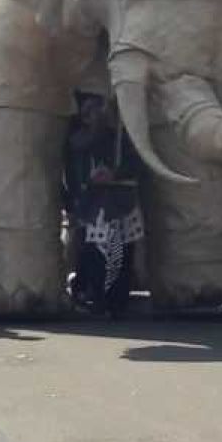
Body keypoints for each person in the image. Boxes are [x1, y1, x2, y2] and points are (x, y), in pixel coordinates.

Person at [67, 95, 146, 318]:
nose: (93, 116)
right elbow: (75, 167)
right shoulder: (79, 140)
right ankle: (95, 294)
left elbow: (134, 164)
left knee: (121, 253)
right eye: (88, 112)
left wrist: (115, 174)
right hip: (94, 205)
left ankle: (117, 298)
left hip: (120, 203)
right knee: (94, 252)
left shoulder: (121, 138)